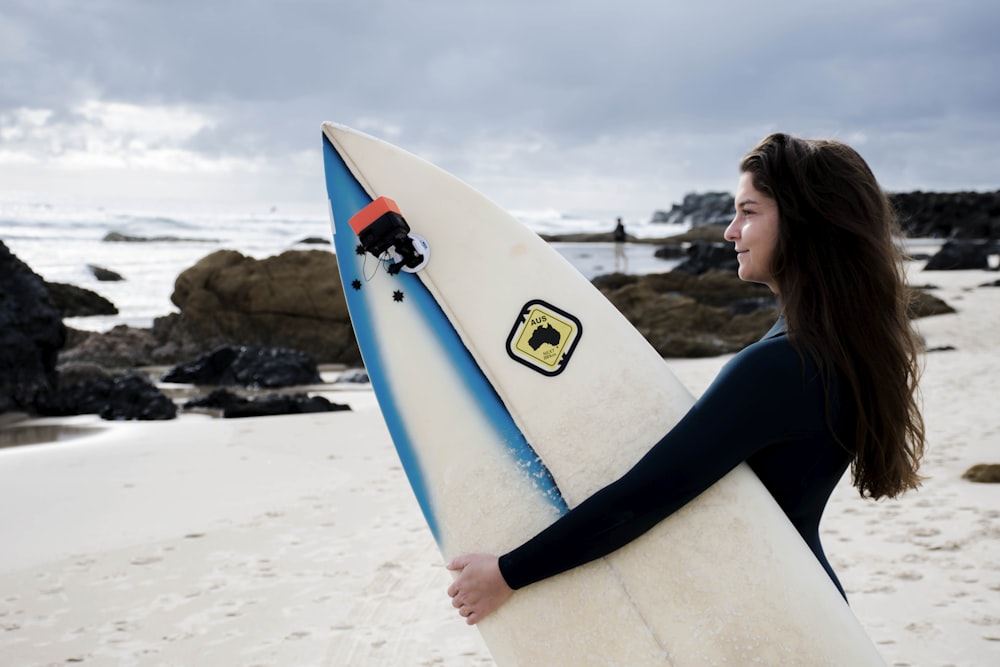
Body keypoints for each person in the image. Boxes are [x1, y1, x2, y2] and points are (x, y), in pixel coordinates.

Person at [446, 133, 925, 625]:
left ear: (805, 223)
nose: (730, 232)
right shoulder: (839, 346)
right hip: (805, 607)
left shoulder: (780, 366)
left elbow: (644, 498)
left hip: (776, 620)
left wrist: (507, 574)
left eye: (749, 211)